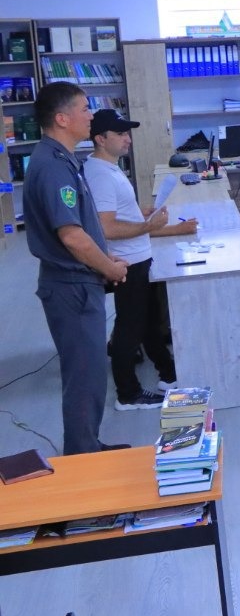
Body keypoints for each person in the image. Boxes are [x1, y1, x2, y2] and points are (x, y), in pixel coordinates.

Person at [23, 82, 128, 454]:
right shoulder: (53, 167)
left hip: (79, 284)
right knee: (84, 378)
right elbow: (72, 237)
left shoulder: (64, 159)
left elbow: (86, 227)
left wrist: (106, 259)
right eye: (84, 108)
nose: (91, 115)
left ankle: (88, 447)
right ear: (62, 118)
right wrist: (110, 267)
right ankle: (83, 460)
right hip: (71, 287)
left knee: (91, 375)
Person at [84, 109, 199, 410]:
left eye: (127, 133)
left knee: (148, 321)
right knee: (129, 328)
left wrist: (140, 216)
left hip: (138, 257)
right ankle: (128, 394)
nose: (128, 139)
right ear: (100, 139)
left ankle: (168, 373)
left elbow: (115, 217)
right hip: (127, 261)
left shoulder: (109, 168)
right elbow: (106, 228)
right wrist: (148, 225)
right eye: (120, 134)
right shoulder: (100, 174)